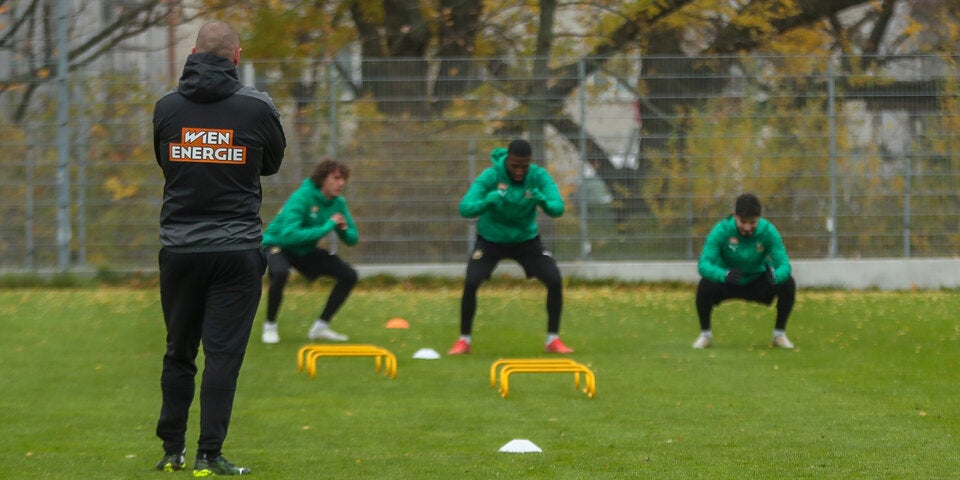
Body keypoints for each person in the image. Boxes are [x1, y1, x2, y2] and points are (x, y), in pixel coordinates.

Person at [152, 21, 285, 476]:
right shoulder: (257, 108)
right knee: (222, 356)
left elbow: (167, 163)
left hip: (180, 248)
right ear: (237, 57)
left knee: (179, 350)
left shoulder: (167, 107)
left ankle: (172, 451)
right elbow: (271, 164)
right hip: (235, 249)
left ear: (192, 53)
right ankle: (210, 454)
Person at [447, 139, 574, 355]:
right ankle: (464, 341)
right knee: (471, 281)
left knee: (554, 279)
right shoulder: (491, 176)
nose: (519, 171)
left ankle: (552, 340)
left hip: (526, 241)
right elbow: (465, 208)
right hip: (491, 240)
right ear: (507, 160)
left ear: (529, 162)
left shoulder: (538, 176)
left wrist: (542, 200)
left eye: (524, 166)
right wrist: (488, 201)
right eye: (515, 165)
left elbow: (557, 209)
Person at [260, 159, 359, 344]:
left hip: (304, 249)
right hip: (277, 245)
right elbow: (289, 234)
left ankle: (320, 328)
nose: (341, 183)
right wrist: (328, 225)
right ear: (322, 179)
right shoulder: (302, 197)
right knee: (280, 273)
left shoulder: (338, 203)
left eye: (343, 179)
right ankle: (270, 326)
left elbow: (352, 239)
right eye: (336, 178)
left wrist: (343, 229)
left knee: (349, 275)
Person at [693, 193, 796, 349]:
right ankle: (705, 336)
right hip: (729, 279)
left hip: (757, 282)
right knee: (705, 285)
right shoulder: (721, 230)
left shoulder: (768, 231)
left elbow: (784, 265)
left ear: (759, 218)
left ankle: (779, 335)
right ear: (735, 216)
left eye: (752, 222)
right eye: (743, 222)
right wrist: (723, 275)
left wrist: (775, 276)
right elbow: (703, 264)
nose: (748, 227)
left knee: (788, 283)